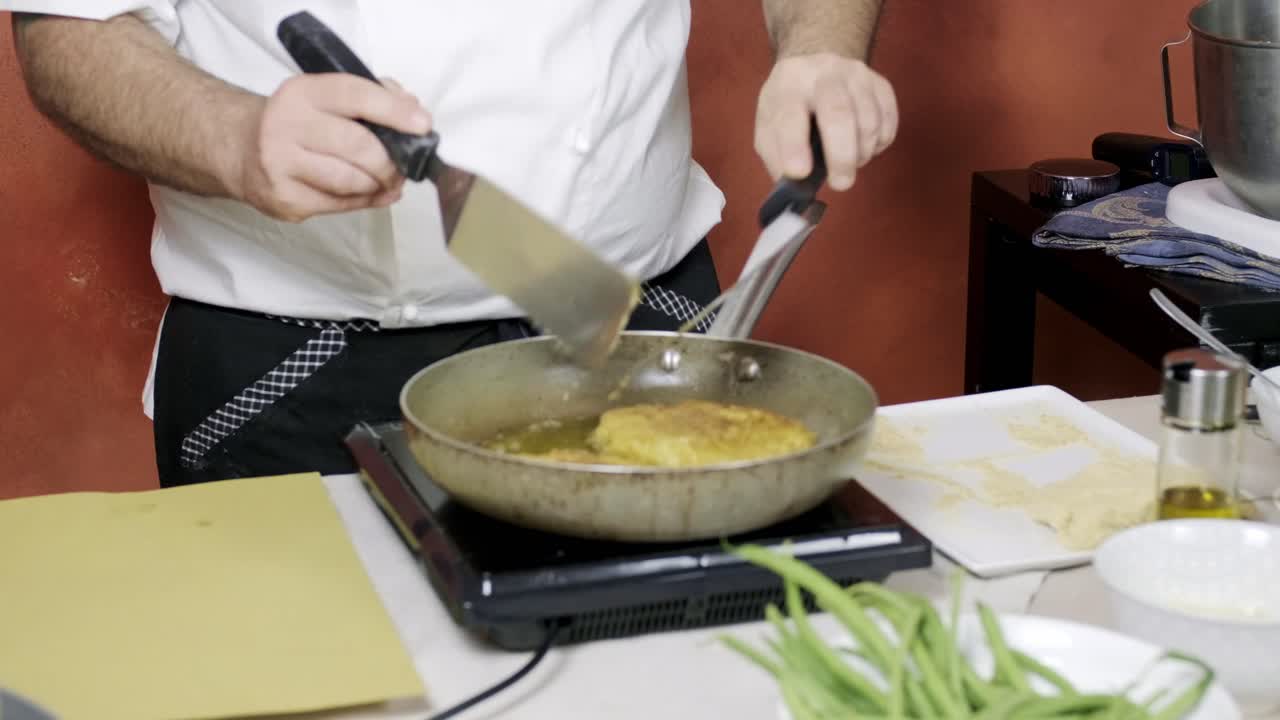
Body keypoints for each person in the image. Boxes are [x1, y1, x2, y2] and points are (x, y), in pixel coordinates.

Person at [11, 2, 898, 487]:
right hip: (289, 367)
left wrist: (820, 47)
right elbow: (66, 27)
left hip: (633, 329)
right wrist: (232, 138)